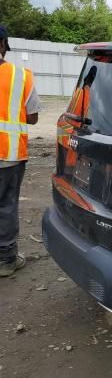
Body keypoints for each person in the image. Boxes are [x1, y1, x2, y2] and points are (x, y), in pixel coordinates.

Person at [0, 25, 42, 277]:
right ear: (3, 44)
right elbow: (33, 117)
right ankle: (6, 259)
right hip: (9, 155)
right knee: (5, 205)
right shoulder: (20, 76)